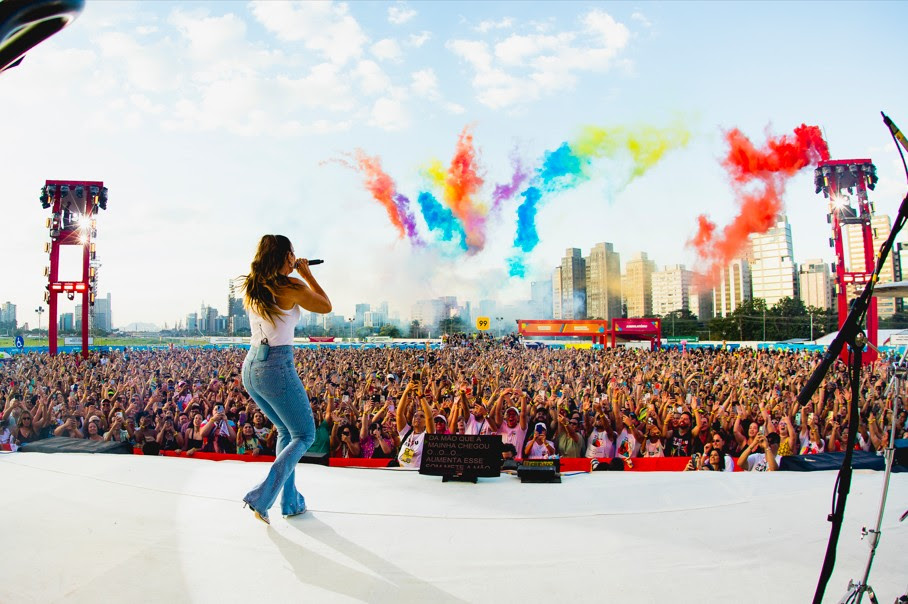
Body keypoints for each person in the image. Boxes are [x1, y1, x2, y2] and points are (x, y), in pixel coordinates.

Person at [239, 234, 332, 524]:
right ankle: (262, 496)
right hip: (276, 366)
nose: (295, 258)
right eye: (291, 255)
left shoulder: (253, 286)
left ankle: (290, 501)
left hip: (251, 365)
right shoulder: (291, 285)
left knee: (285, 432)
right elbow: (326, 306)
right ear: (284, 257)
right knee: (305, 435)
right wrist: (307, 274)